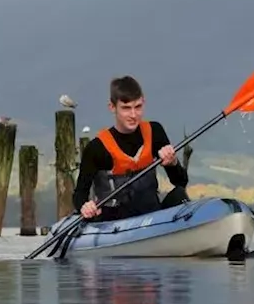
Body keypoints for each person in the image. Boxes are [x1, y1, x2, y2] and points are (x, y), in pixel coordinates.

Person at [73, 75, 190, 222]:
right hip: (115, 223)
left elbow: (181, 181)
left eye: (138, 107)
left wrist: (173, 163)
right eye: (126, 108)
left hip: (152, 216)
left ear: (144, 103)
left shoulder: (155, 131)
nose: (133, 115)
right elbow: (79, 195)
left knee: (179, 194)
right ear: (112, 107)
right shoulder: (97, 148)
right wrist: (85, 206)